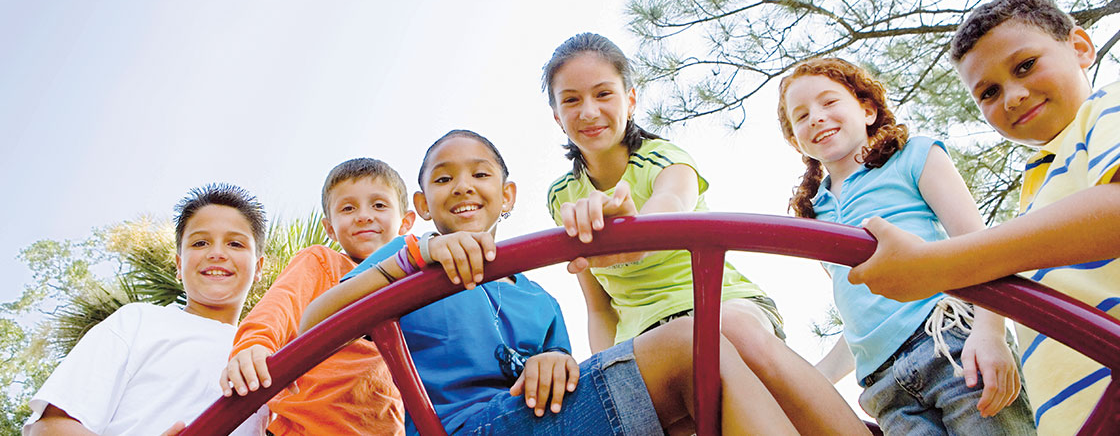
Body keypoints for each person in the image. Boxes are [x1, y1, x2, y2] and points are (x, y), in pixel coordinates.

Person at [301, 130, 804, 435]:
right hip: (463, 427)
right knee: (692, 343)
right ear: (423, 206)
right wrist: (411, 260)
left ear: (508, 195)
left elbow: (567, 370)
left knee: (711, 373)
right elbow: (312, 326)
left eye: (480, 174)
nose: (462, 186)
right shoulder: (409, 259)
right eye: (442, 179)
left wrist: (554, 361)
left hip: (542, 415)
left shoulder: (536, 297)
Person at [542, 32, 867, 433]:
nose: (589, 111)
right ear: (557, 115)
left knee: (728, 333)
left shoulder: (665, 158)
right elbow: (598, 305)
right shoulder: (562, 196)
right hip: (645, 334)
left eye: (603, 94)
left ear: (630, 99)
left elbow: (671, 205)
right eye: (571, 100)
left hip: (718, 304)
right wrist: (611, 370)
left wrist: (635, 233)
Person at [848, 0, 1120, 433]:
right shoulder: (1041, 183)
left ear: (1081, 48)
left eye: (1025, 65)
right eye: (989, 92)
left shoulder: (1109, 106)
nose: (1012, 96)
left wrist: (939, 266)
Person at [777, 57, 1036, 434]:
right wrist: (813, 381)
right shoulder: (816, 214)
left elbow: (977, 243)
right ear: (794, 139)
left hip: (950, 344)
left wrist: (991, 331)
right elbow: (864, 319)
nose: (816, 116)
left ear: (867, 110)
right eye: (801, 116)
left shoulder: (912, 156)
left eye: (829, 102)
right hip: (884, 386)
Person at [24, 184, 269, 436]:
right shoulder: (138, 322)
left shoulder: (265, 352)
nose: (217, 253)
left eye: (235, 244)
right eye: (200, 242)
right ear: (179, 264)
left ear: (259, 267)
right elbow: (51, 426)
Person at [221, 159, 414, 435]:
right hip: (305, 428)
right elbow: (280, 305)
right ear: (330, 228)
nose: (363, 216)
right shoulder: (322, 263)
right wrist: (255, 343)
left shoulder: (414, 282)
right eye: (348, 208)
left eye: (379, 205)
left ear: (405, 221)